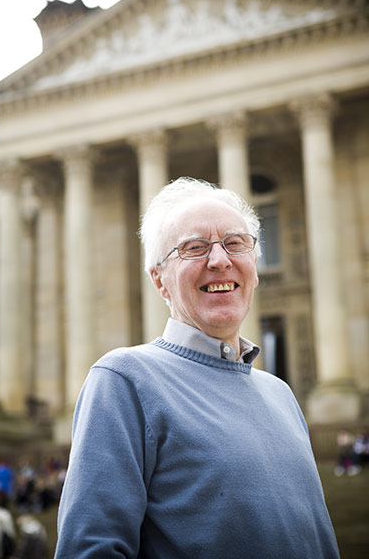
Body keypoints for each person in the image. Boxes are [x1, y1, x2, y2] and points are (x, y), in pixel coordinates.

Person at [54, 177, 340, 558]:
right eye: (195, 247)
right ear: (159, 280)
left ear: (253, 267)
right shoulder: (124, 379)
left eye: (235, 244)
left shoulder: (280, 393)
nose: (220, 260)